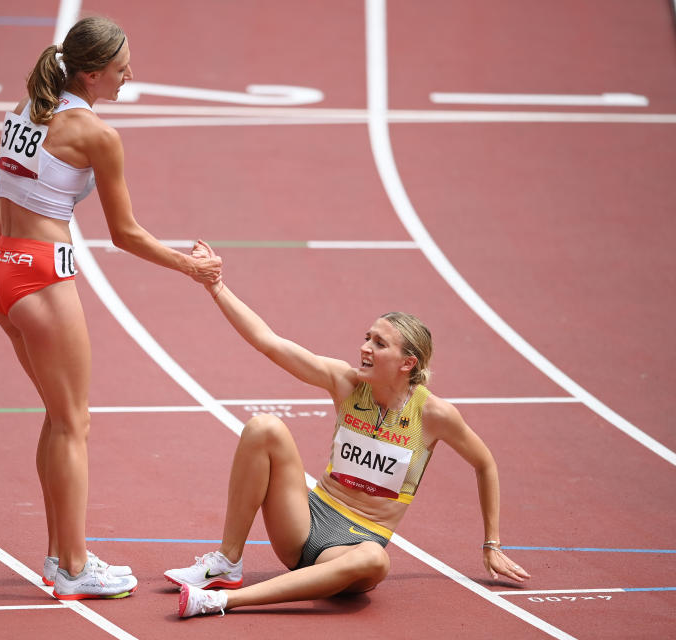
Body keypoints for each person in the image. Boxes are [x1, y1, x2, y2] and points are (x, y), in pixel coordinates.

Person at [0, 17, 221, 601]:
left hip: (2, 273)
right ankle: (75, 567)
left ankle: (61, 558)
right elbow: (125, 234)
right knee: (74, 424)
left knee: (59, 419)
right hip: (41, 282)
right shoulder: (96, 134)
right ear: (91, 72)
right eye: (121, 68)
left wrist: (14, 249)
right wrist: (192, 266)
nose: (130, 75)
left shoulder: (28, 109)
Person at [166, 241, 529, 617]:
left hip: (353, 548)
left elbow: (485, 464)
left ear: (408, 363)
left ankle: (220, 601)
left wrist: (492, 542)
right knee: (264, 427)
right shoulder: (347, 383)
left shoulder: (435, 415)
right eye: (367, 338)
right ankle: (227, 562)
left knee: (377, 561)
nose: (365, 348)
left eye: (379, 343)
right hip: (306, 521)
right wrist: (217, 287)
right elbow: (269, 343)